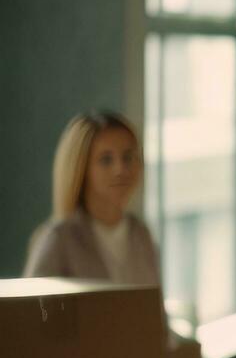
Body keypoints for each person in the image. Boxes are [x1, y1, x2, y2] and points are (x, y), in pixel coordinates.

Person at [25, 110, 160, 285]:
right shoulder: (58, 240)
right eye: (106, 160)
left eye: (127, 157)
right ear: (81, 168)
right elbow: (31, 310)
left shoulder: (142, 235)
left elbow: (154, 307)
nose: (120, 170)